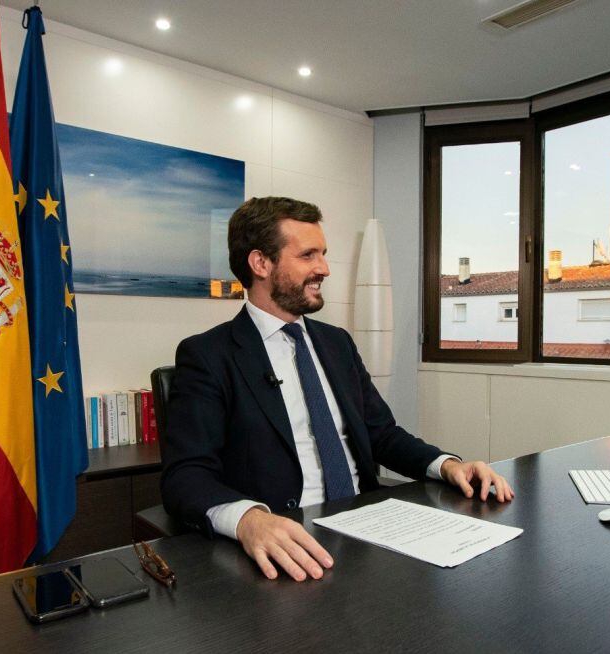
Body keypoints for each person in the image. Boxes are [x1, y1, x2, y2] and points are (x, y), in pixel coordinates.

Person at [162, 197, 514, 582]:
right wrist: (249, 520)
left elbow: (382, 433)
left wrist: (446, 465)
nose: (324, 269)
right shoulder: (208, 355)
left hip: (369, 531)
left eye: (324, 254)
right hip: (289, 546)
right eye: (308, 255)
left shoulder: (337, 343)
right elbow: (186, 475)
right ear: (261, 263)